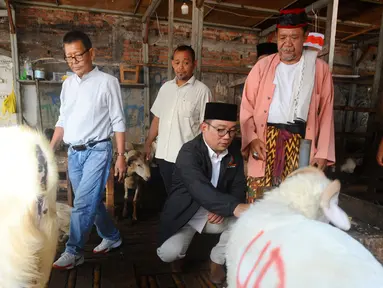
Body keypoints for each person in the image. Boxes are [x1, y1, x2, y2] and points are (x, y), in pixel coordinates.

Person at [240, 8, 335, 203]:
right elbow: (246, 107)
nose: (287, 44)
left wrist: (323, 153)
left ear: (305, 37)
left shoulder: (320, 69)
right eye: (283, 37)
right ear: (276, 37)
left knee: (296, 203)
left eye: (294, 37)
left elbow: (326, 113)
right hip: (265, 140)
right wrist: (251, 138)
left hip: (302, 144)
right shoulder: (262, 66)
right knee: (260, 203)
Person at [50, 30, 126, 269]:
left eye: (78, 55)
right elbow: (62, 120)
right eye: (68, 57)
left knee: (82, 203)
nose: (73, 61)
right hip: (74, 153)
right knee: (91, 201)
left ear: (91, 53)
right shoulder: (68, 84)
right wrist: (50, 148)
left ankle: (74, 251)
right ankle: (112, 237)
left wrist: (121, 156)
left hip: (98, 150)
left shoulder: (107, 82)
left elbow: (118, 120)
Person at [157, 102, 250, 285]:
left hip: (215, 213)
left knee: (245, 222)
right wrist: (232, 206)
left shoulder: (234, 152)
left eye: (232, 131)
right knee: (168, 253)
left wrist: (224, 208)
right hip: (186, 214)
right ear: (204, 127)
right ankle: (180, 254)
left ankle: (217, 260)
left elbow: (238, 186)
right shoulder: (189, 152)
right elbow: (198, 187)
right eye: (221, 130)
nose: (227, 137)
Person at [144, 45, 212, 194]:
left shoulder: (202, 91)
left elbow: (206, 128)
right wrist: (148, 143)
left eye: (186, 63)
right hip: (163, 155)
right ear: (172, 63)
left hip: (187, 158)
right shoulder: (165, 88)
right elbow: (157, 118)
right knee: (170, 193)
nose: (181, 67)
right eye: (177, 62)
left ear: (194, 64)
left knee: (185, 195)